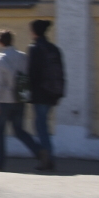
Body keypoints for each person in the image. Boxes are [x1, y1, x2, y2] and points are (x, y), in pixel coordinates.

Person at [0, 28, 42, 171]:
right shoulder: (23, 56)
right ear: (12, 41)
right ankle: (39, 151)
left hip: (4, 101)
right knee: (19, 130)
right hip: (19, 99)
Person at [26, 18, 66, 174]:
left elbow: (32, 73)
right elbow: (61, 72)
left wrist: (26, 91)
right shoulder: (54, 48)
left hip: (40, 93)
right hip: (52, 93)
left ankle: (47, 159)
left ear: (34, 32)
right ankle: (48, 158)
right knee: (43, 125)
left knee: (41, 126)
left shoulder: (35, 48)